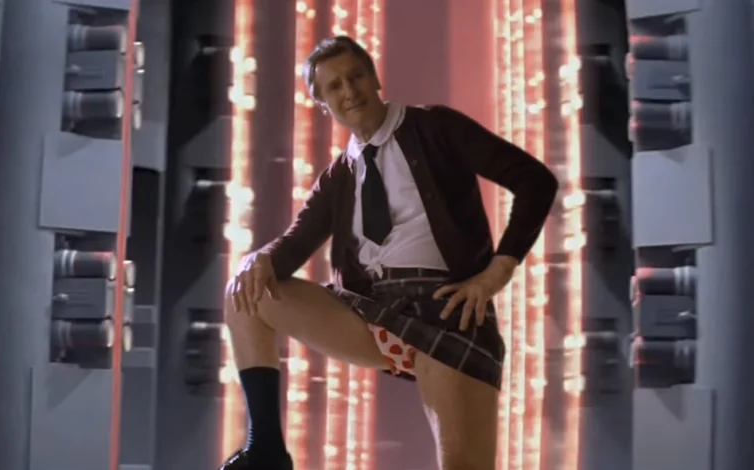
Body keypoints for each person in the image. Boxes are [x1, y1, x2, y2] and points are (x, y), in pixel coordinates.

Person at [220, 35, 558, 470]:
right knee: (245, 293)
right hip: (370, 312)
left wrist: (499, 270)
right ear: (323, 104)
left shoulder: (436, 127)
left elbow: (535, 181)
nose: (349, 91)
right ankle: (265, 449)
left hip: (447, 311)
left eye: (356, 76)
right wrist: (259, 257)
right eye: (334, 86)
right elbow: (292, 246)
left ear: (375, 77)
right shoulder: (338, 177)